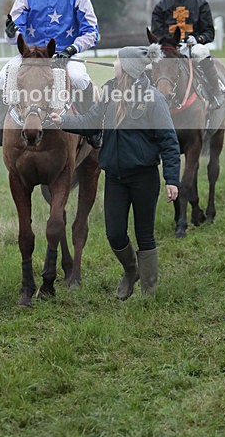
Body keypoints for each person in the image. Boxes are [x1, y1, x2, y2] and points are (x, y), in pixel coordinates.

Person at [51, 46, 180, 299]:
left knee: (145, 234)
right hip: (115, 178)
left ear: (129, 67)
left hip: (144, 178)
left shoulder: (153, 98)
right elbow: (90, 121)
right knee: (115, 233)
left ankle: (149, 293)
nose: (115, 63)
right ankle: (132, 270)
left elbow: (168, 140)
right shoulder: (109, 90)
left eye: (118, 60)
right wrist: (62, 120)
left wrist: (172, 179)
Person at [0, 0, 101, 149]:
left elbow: (92, 32)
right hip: (31, 57)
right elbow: (14, 31)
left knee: (79, 78)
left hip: (65, 55)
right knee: (1, 78)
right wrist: (11, 32)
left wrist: (72, 49)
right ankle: (1, 126)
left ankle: (91, 128)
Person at [151, 0, 225, 108]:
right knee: (148, 65)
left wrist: (197, 39)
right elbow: (156, 32)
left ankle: (215, 91)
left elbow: (209, 32)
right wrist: (168, 44)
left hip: (192, 47)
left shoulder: (200, 3)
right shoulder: (161, 6)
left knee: (201, 51)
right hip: (170, 49)